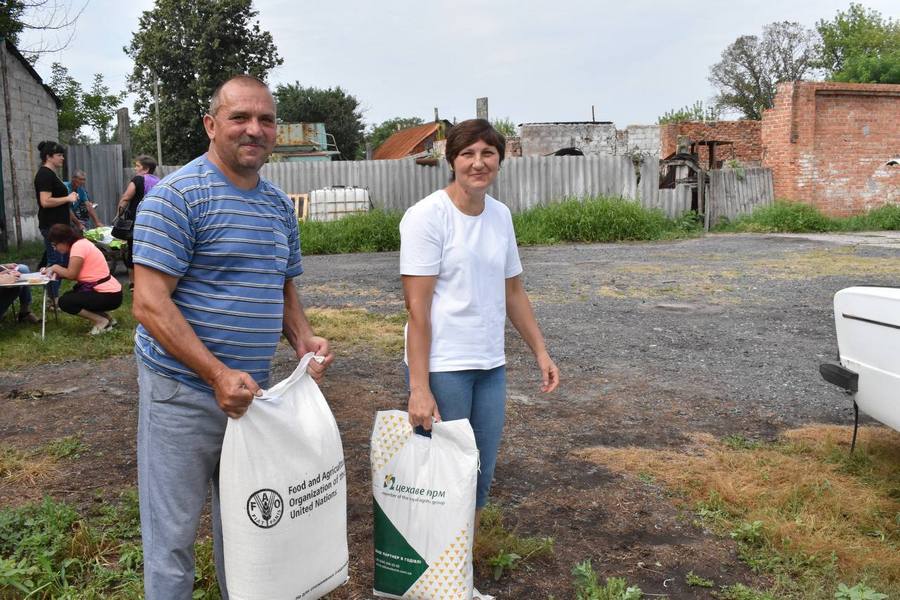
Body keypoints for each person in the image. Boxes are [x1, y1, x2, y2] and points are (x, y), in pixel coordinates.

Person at [131, 74, 334, 599]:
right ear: (211, 124)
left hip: (252, 399)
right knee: (172, 542)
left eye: (266, 120)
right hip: (182, 394)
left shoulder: (276, 205)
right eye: (240, 117)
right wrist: (216, 374)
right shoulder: (177, 198)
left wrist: (303, 338)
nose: (254, 129)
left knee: (251, 532)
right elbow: (149, 303)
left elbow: (281, 281)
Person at [400, 118, 560, 522]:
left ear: (500, 161)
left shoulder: (500, 215)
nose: (478, 162)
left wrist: (541, 351)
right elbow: (417, 311)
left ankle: (463, 562)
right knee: (442, 476)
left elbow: (513, 292)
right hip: (445, 367)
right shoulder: (426, 217)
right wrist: (419, 387)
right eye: (467, 153)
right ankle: (436, 573)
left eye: (488, 153)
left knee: (479, 473)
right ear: (451, 160)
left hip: (490, 365)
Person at [43, 224, 122, 334]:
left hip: (108, 294)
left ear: (64, 241)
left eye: (55, 245)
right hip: (111, 293)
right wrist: (53, 270)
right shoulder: (81, 243)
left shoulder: (78, 247)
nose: (55, 249)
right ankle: (109, 320)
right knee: (71, 296)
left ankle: (100, 321)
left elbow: (71, 274)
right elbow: (74, 273)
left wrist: (55, 267)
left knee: (65, 302)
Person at [34, 140, 78, 307]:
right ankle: (53, 298)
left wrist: (74, 220)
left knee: (59, 259)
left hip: (58, 226)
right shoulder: (44, 174)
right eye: (59, 155)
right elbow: (45, 201)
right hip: (51, 226)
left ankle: (51, 295)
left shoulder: (51, 174)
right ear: (48, 157)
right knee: (57, 261)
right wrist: (68, 198)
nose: (62, 158)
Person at [117, 154, 160, 290]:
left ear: (145, 169)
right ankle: (150, 281)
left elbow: (126, 197)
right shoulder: (159, 181)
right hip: (154, 222)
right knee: (151, 251)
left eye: (137, 166)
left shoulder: (138, 179)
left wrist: (119, 215)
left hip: (137, 222)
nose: (135, 169)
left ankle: (133, 283)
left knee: (133, 251)